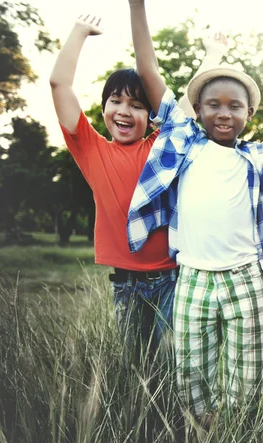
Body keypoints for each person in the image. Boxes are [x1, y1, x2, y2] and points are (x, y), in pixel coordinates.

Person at [125, 0, 263, 422]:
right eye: (213, 104)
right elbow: (148, 72)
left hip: (245, 277)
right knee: (192, 380)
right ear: (198, 110)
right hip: (192, 276)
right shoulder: (184, 144)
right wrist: (137, 6)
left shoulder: (258, 156)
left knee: (247, 385)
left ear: (249, 113)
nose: (224, 113)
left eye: (235, 106)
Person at [50, 15, 227, 368]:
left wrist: (214, 54)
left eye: (137, 105)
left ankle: (181, 424)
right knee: (136, 369)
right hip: (125, 286)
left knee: (176, 368)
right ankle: (145, 425)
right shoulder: (90, 149)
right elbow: (58, 84)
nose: (125, 111)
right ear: (103, 109)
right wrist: (79, 32)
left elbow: (189, 102)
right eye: (116, 101)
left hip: (170, 281)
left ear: (151, 115)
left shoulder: (160, 147)